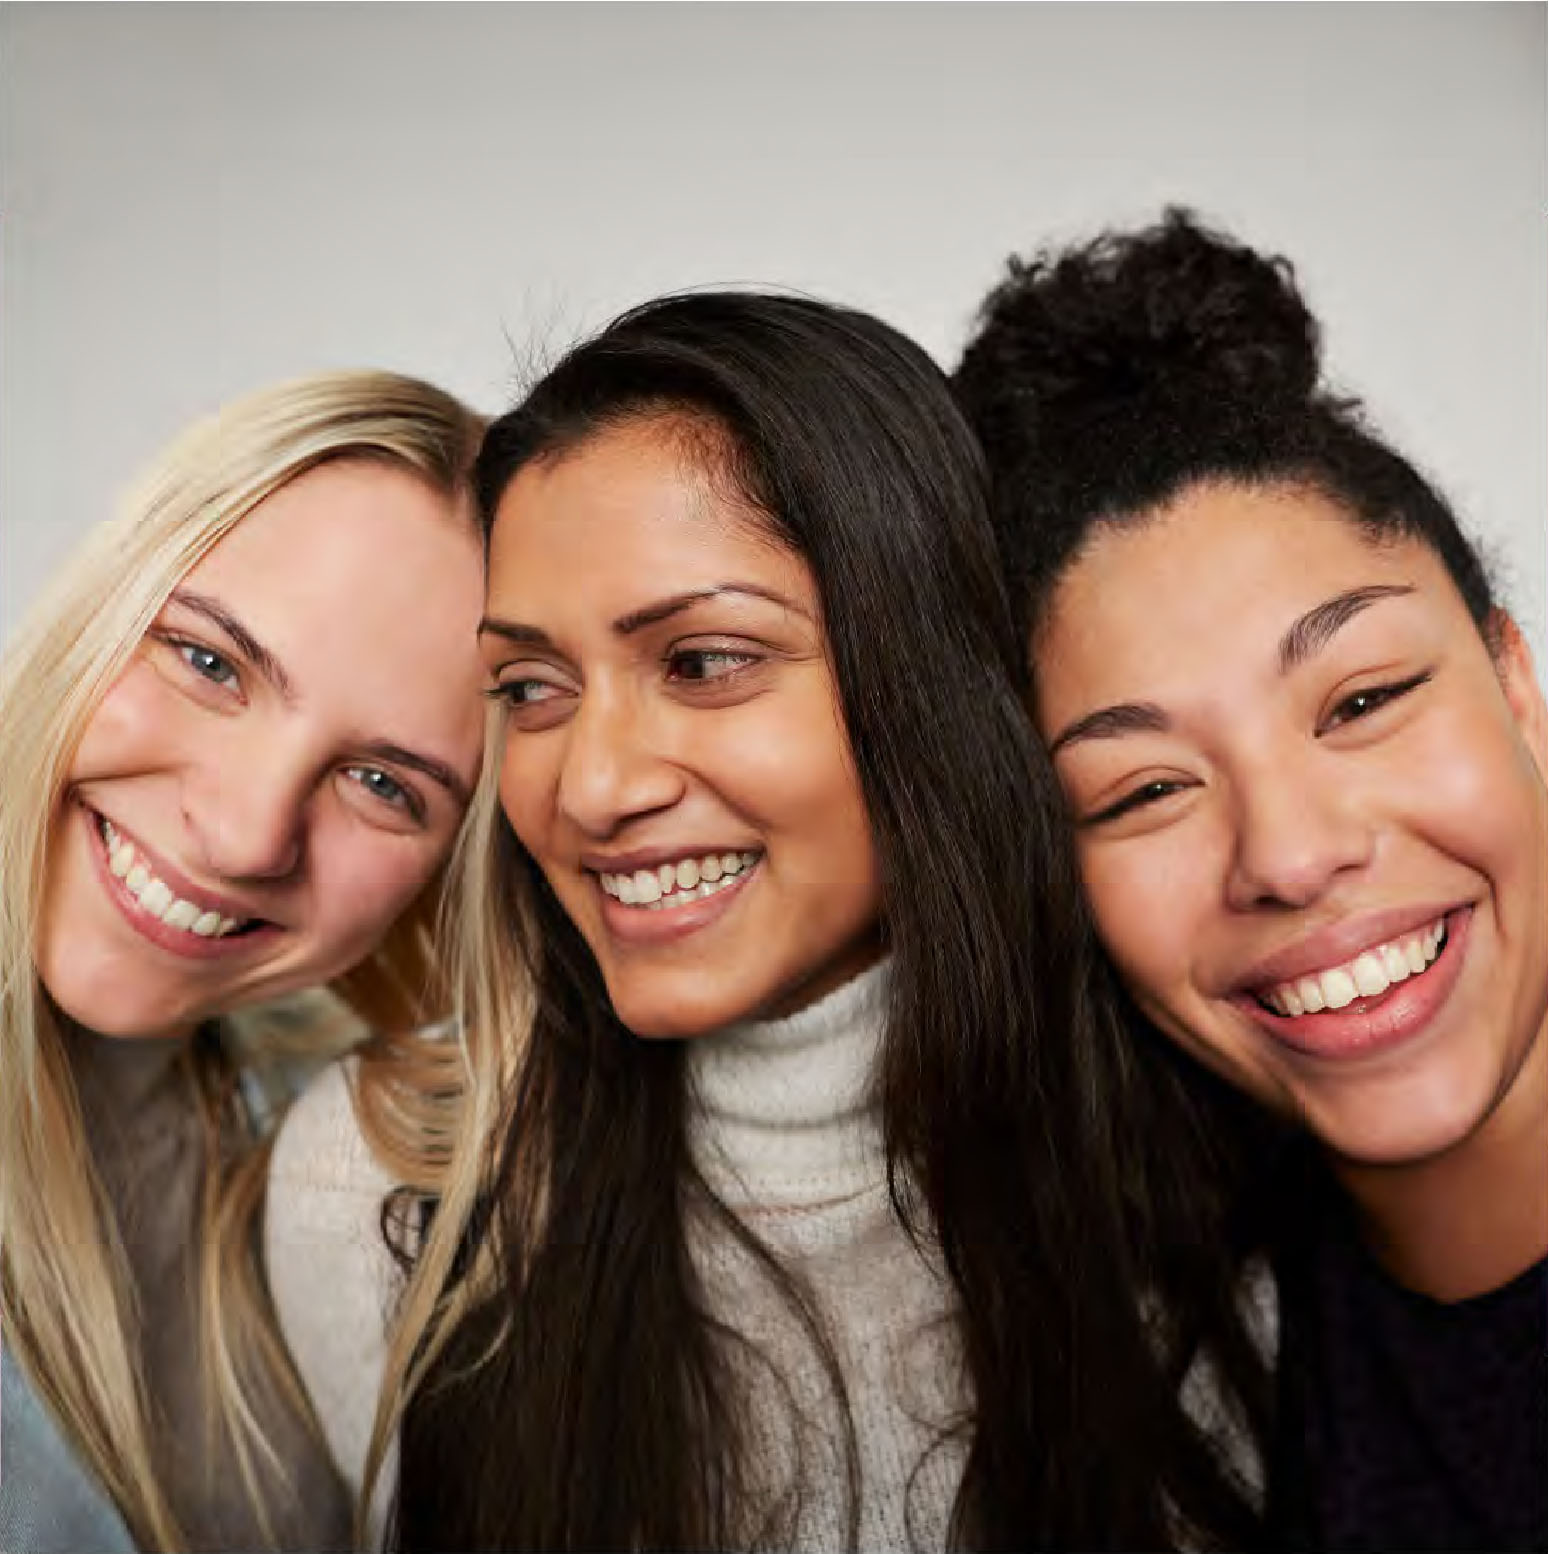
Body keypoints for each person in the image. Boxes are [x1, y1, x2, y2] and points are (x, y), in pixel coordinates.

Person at [269, 289, 1267, 1552]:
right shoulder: (379, 1193)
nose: (591, 785)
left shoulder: (1228, 1189)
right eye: (530, 686)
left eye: (702, 663)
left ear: (930, 674)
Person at [954, 210, 1548, 1552]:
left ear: (1516, 684)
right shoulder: (1197, 1335)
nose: (1286, 853)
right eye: (1145, 790)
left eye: (1365, 698)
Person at [0, 369, 488, 1552]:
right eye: (210, 662)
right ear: (102, 601)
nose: (245, 832)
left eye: (385, 784)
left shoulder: (350, 1165)